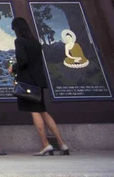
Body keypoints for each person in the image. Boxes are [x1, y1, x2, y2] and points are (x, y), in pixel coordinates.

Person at [10, 17, 69, 156]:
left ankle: (45, 144)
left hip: (27, 82)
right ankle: (62, 143)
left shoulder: (19, 41)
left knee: (35, 112)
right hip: (39, 81)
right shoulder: (35, 42)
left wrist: (14, 67)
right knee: (43, 111)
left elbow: (23, 61)